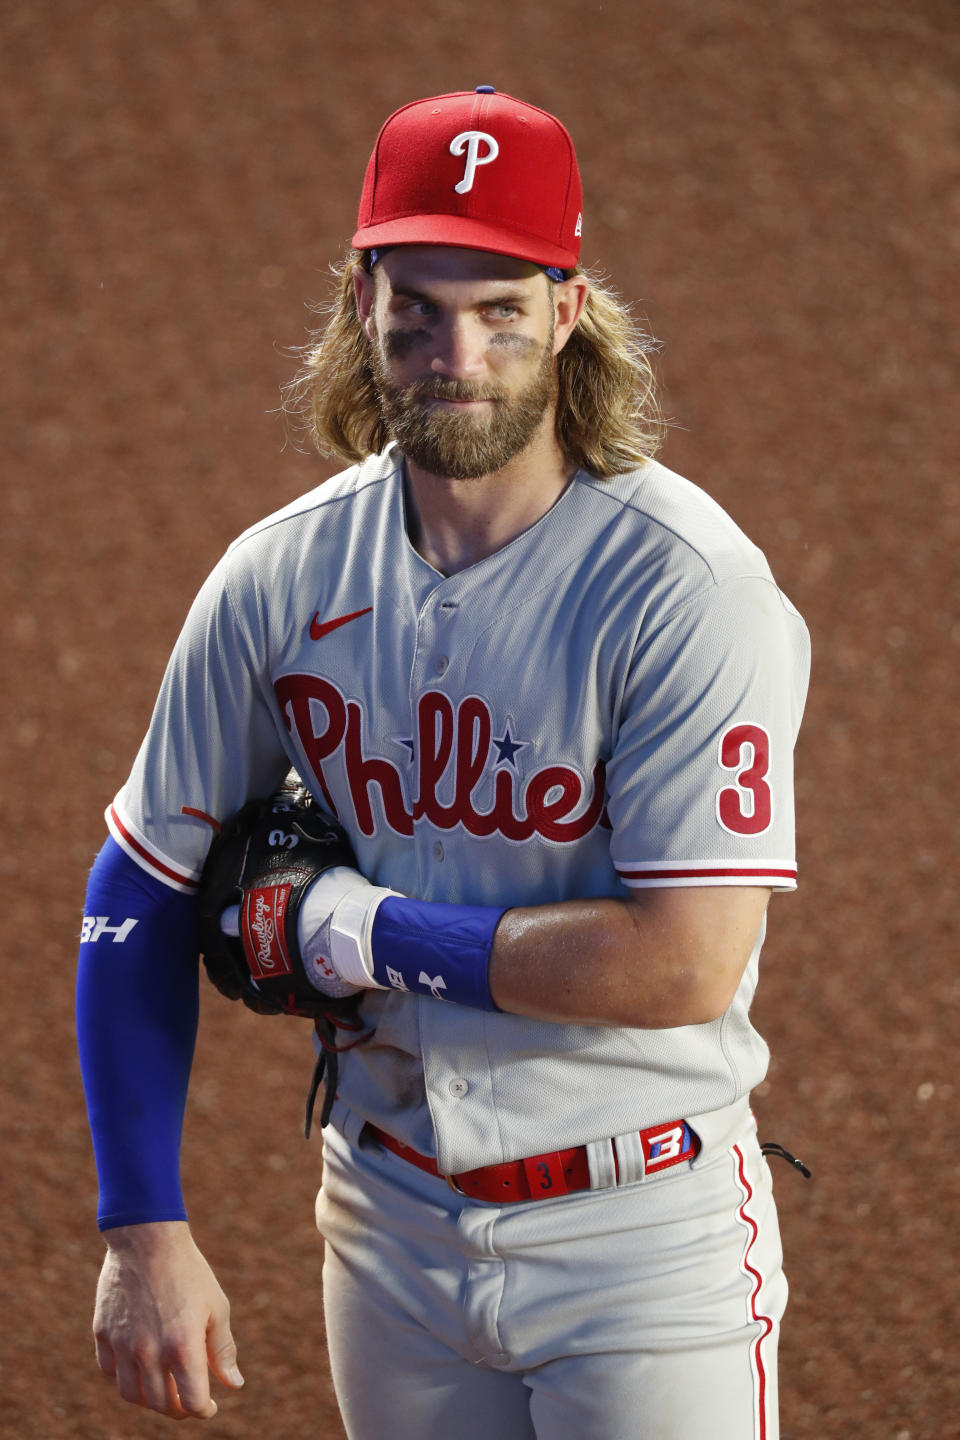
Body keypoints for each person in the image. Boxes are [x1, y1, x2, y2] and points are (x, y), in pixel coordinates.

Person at [77, 87, 810, 1438]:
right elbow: (136, 887)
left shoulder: (686, 587)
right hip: (387, 1225)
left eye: (498, 310)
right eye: (416, 306)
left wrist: (362, 932)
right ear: (364, 304)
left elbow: (686, 961)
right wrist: (141, 1228)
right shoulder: (280, 577)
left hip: (642, 1247)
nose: (453, 352)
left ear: (568, 310)